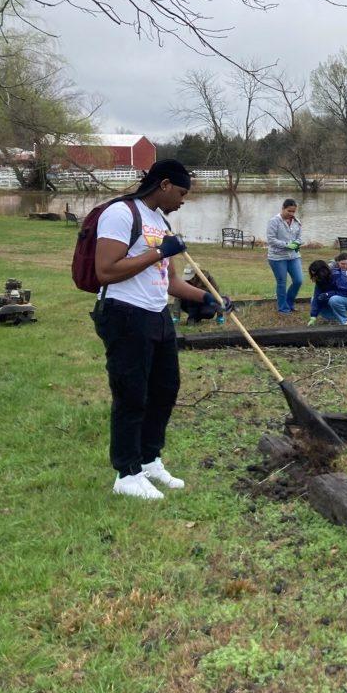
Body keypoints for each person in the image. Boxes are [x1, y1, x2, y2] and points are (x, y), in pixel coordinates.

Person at [92, 159, 233, 500]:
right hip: (125, 313)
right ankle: (126, 474)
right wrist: (158, 252)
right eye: (182, 192)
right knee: (131, 394)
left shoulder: (161, 220)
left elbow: (169, 283)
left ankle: (149, 459)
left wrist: (208, 299)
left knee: (165, 389)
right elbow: (105, 271)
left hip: (156, 314)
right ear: (165, 184)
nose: (184, 200)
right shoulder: (122, 213)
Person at [266, 199, 303, 314]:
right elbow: (271, 240)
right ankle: (283, 308)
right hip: (277, 257)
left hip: (294, 256)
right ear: (283, 208)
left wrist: (297, 243)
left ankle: (289, 302)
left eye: (293, 212)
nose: (291, 214)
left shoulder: (297, 222)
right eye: (289, 211)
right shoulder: (274, 221)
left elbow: (299, 237)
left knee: (298, 280)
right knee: (282, 282)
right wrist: (287, 245)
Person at [307, 259, 347, 325]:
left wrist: (328, 294)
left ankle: (345, 321)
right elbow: (316, 297)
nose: (315, 277)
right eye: (313, 275)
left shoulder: (338, 276)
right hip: (338, 299)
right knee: (314, 299)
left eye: (316, 274)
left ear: (323, 271)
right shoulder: (320, 280)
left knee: (334, 299)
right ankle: (334, 319)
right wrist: (313, 316)